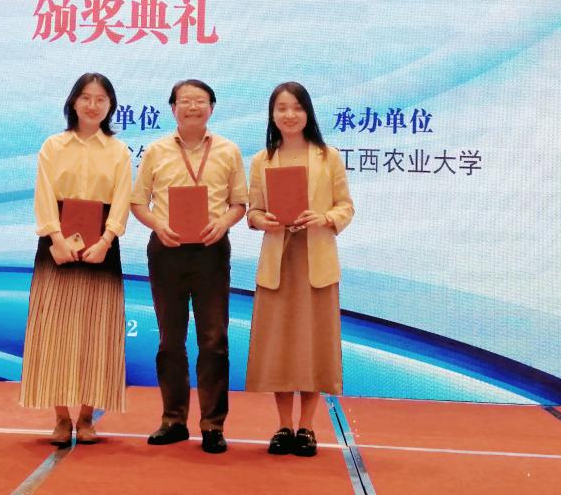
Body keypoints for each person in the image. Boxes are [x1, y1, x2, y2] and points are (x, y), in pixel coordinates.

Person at [131, 79, 247, 454]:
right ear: (173, 108)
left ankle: (213, 425)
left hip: (211, 251)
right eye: (185, 101)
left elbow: (239, 203)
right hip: (167, 250)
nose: (192, 107)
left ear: (211, 107)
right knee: (170, 340)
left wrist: (224, 222)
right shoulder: (156, 151)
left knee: (214, 340)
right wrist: (157, 225)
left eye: (200, 101)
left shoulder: (228, 150)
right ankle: (173, 420)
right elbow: (137, 202)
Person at [20, 73, 132, 447]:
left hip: (102, 247)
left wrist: (107, 240)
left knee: (96, 334)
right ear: (73, 102)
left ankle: (86, 418)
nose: (92, 105)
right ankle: (60, 418)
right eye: (85, 97)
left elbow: (121, 200)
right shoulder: (53, 146)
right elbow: (44, 195)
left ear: (110, 106)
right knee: (53, 331)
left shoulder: (118, 151)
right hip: (57, 246)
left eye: (101, 99)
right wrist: (55, 238)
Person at [245, 82, 354, 457]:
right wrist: (263, 220)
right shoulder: (262, 160)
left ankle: (307, 426)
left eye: (296, 107)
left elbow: (346, 207)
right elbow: (253, 211)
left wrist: (323, 218)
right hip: (278, 261)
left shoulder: (328, 156)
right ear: (272, 115)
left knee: (313, 344)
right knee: (280, 344)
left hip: (316, 261)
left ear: (307, 112)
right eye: (281, 108)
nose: (289, 115)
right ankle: (283, 425)